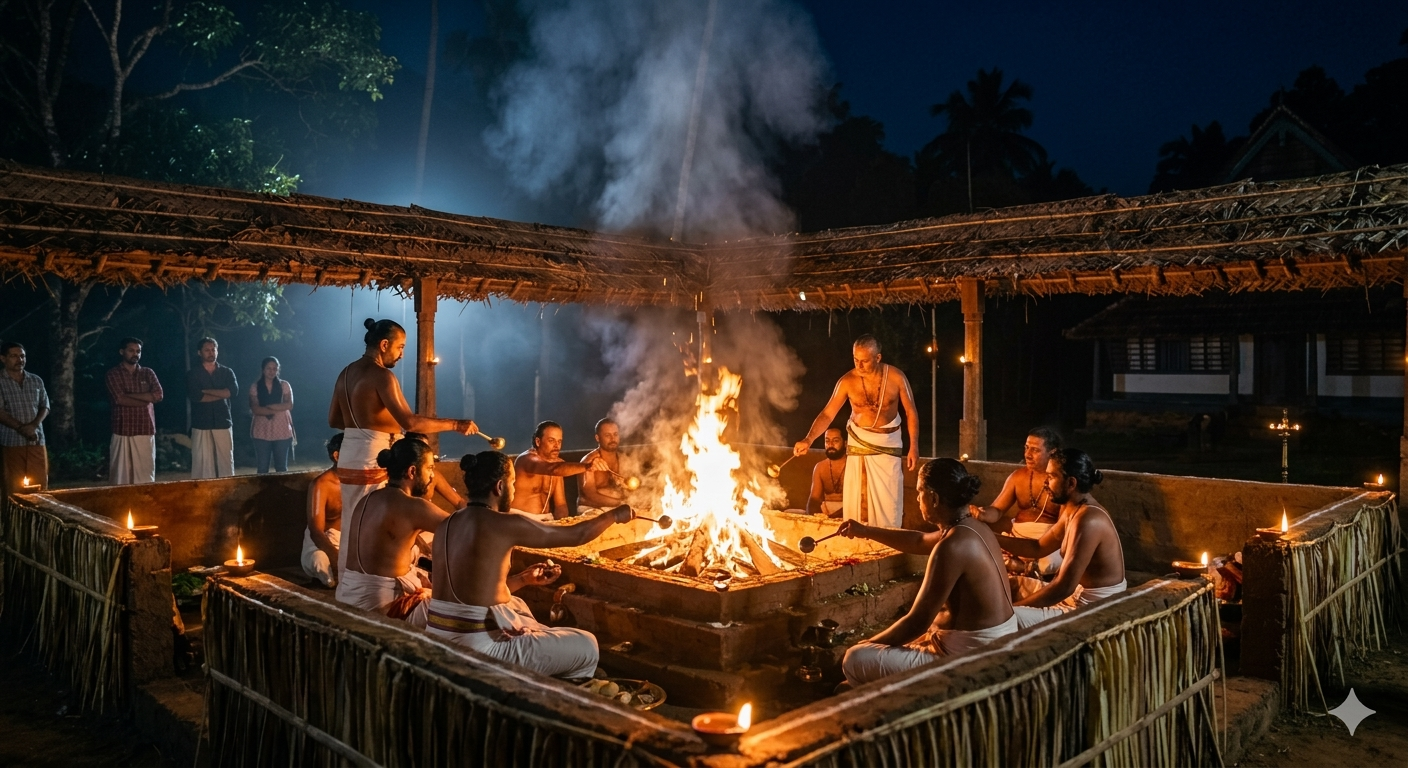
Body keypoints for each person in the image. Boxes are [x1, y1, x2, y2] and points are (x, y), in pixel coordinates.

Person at [426, 450, 635, 679]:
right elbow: (577, 535)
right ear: (499, 487)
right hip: (478, 649)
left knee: (516, 604)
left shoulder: (447, 523)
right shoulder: (503, 523)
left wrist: (524, 579)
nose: (514, 490)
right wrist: (615, 515)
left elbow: (473, 591)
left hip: (438, 637)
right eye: (512, 483)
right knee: (587, 645)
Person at [841, 459, 1017, 685]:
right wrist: (864, 530)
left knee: (854, 658)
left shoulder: (952, 546)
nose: (917, 499)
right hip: (991, 642)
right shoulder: (973, 527)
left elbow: (917, 621)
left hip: (972, 655)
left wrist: (868, 643)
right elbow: (919, 540)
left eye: (919, 493)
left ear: (933, 498)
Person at [328, 318, 476, 577]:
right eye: (400, 347)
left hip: (352, 454)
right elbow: (409, 421)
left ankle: (349, 578)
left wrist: (366, 423)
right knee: (377, 518)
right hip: (374, 455)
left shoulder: (346, 373)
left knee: (354, 518)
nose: (401, 354)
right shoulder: (382, 376)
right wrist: (455, 423)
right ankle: (375, 578)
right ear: (384, 345)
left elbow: (334, 420)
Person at [793, 335, 920, 529]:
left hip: (888, 446)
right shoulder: (847, 381)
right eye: (855, 360)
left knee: (889, 499)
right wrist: (808, 439)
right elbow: (828, 414)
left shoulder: (896, 377)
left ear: (878, 358)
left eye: (864, 361)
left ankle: (887, 542)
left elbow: (911, 412)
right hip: (859, 442)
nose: (859, 366)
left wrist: (914, 446)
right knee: (857, 499)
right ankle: (856, 542)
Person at [996, 449, 1127, 629]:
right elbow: (1038, 547)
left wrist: (1013, 609)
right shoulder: (1071, 509)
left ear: (1071, 483)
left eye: (1051, 477)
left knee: (1000, 620)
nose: (1045, 483)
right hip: (1072, 597)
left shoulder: (1089, 520)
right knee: (1012, 585)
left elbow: (1063, 587)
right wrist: (991, 538)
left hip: (1091, 608)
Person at [336, 437, 447, 627]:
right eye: (429, 468)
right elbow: (463, 529)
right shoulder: (413, 506)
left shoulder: (367, 500)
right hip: (380, 607)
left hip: (346, 596)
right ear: (412, 471)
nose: (432, 476)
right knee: (467, 612)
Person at [975, 427, 1064, 575]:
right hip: (1016, 539)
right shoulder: (1018, 477)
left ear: (1052, 452)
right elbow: (997, 510)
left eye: (1035, 450)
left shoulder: (1061, 482)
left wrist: (1034, 548)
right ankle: (1024, 567)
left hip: (1046, 544)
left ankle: (1022, 566)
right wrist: (982, 514)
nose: (1028, 454)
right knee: (980, 548)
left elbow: (1063, 528)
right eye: (1026, 448)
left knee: (1053, 562)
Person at [512, 421, 608, 521]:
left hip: (545, 521)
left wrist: (563, 525)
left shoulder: (557, 465)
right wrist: (587, 466)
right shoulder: (527, 460)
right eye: (551, 440)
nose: (556, 446)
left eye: (559, 441)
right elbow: (553, 469)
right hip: (521, 521)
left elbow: (560, 505)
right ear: (538, 442)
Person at [105, 337, 163, 485]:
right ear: (121, 351)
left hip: (145, 428)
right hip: (122, 429)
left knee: (145, 476)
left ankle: (144, 506)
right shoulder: (113, 374)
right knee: (120, 476)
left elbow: (158, 395)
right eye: (131, 350)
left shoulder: (148, 373)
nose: (135, 354)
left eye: (138, 351)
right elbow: (119, 399)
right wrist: (145, 399)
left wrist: (128, 395)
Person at [0, 342, 49, 495]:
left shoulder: (36, 380)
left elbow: (45, 406)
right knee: (13, 487)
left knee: (40, 485)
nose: (19, 360)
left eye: (22, 356)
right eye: (14, 356)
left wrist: (33, 425)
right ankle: (14, 518)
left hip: (36, 439)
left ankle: (39, 517)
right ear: (3, 358)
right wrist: (22, 428)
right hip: (11, 441)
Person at [187, 337, 238, 479]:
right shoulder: (193, 374)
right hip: (201, 423)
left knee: (226, 462)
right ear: (199, 352)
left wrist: (205, 390)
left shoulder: (227, 372)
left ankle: (226, 493)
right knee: (202, 463)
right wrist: (221, 393)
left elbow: (231, 392)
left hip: (223, 421)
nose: (211, 353)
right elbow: (197, 397)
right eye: (207, 350)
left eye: (213, 349)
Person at [303, 433, 344, 588]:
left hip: (348, 544)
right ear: (337, 456)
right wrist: (336, 559)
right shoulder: (321, 485)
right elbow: (316, 531)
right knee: (320, 560)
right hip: (322, 545)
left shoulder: (360, 481)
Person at [249, 357, 294, 473]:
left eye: (275, 368)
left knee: (281, 468)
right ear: (263, 370)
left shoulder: (284, 385)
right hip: (261, 430)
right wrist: (278, 408)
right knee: (262, 468)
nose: (271, 371)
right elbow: (255, 409)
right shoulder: (255, 387)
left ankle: (282, 491)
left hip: (282, 430)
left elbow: (289, 405)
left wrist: (268, 406)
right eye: (269, 368)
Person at [578, 418, 628, 513]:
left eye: (615, 434)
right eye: (607, 435)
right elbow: (589, 496)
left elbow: (630, 487)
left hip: (618, 507)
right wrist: (621, 503)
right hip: (591, 508)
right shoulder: (588, 461)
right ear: (597, 438)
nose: (613, 439)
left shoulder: (623, 459)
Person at [805, 428, 847, 517]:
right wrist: (815, 518)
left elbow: (859, 503)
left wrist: (833, 518)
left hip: (849, 514)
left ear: (845, 443)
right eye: (827, 441)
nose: (830, 444)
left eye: (835, 441)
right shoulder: (820, 467)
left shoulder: (854, 466)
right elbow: (814, 500)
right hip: (825, 514)